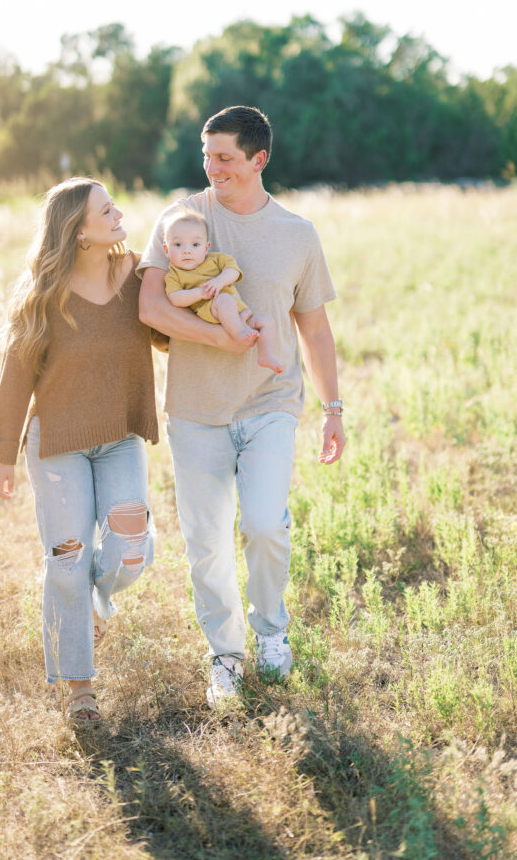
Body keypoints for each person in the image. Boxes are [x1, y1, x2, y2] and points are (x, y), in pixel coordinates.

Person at [138, 106, 345, 708]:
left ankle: (272, 632)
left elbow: (316, 330)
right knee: (205, 543)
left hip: (270, 403)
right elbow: (152, 307)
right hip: (196, 407)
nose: (211, 167)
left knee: (262, 523)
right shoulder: (182, 218)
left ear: (259, 160)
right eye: (206, 155)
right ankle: (224, 656)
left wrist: (333, 410)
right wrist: (220, 338)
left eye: (224, 157)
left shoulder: (297, 234)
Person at [0, 177, 160, 723]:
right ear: (80, 232)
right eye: (106, 211)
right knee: (66, 560)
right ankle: (79, 688)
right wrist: (4, 451)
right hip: (56, 444)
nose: (119, 214)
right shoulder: (42, 296)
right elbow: (16, 377)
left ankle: (98, 599)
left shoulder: (137, 275)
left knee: (133, 548)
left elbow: (173, 325)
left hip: (119, 438)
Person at [162, 208, 283, 373]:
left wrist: (219, 281)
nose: (187, 250)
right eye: (177, 244)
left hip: (240, 311)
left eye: (195, 244)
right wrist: (199, 293)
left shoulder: (217, 259)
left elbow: (233, 271)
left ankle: (265, 354)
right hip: (211, 310)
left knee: (267, 321)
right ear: (166, 250)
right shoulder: (174, 274)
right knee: (224, 300)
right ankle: (239, 333)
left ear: (206, 247)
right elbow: (175, 298)